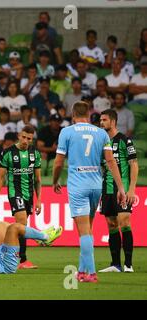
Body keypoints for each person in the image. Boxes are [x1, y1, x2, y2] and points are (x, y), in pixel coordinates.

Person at [52, 101, 127, 283]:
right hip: (96, 185)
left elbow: (59, 162)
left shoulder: (67, 132)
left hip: (78, 184)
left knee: (84, 231)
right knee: (88, 229)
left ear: (73, 114)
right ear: (89, 114)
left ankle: (91, 273)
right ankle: (81, 271)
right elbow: (110, 162)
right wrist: (121, 188)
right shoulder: (101, 133)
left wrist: (55, 180)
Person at [0, 125, 43, 269]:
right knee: (21, 220)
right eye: (24, 137)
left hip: (29, 194)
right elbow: (0, 178)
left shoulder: (35, 153)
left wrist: (39, 200)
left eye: (29, 139)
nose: (26, 141)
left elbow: (38, 180)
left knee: (23, 226)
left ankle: (9, 251)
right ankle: (22, 260)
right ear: (19, 135)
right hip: (15, 192)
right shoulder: (8, 153)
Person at [99, 109, 138, 273]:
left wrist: (131, 189)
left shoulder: (124, 140)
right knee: (111, 224)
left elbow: (134, 164)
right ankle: (115, 264)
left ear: (113, 121)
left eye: (104, 120)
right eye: (100, 120)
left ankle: (128, 264)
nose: (101, 123)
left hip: (122, 189)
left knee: (124, 222)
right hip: (107, 189)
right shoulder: (102, 142)